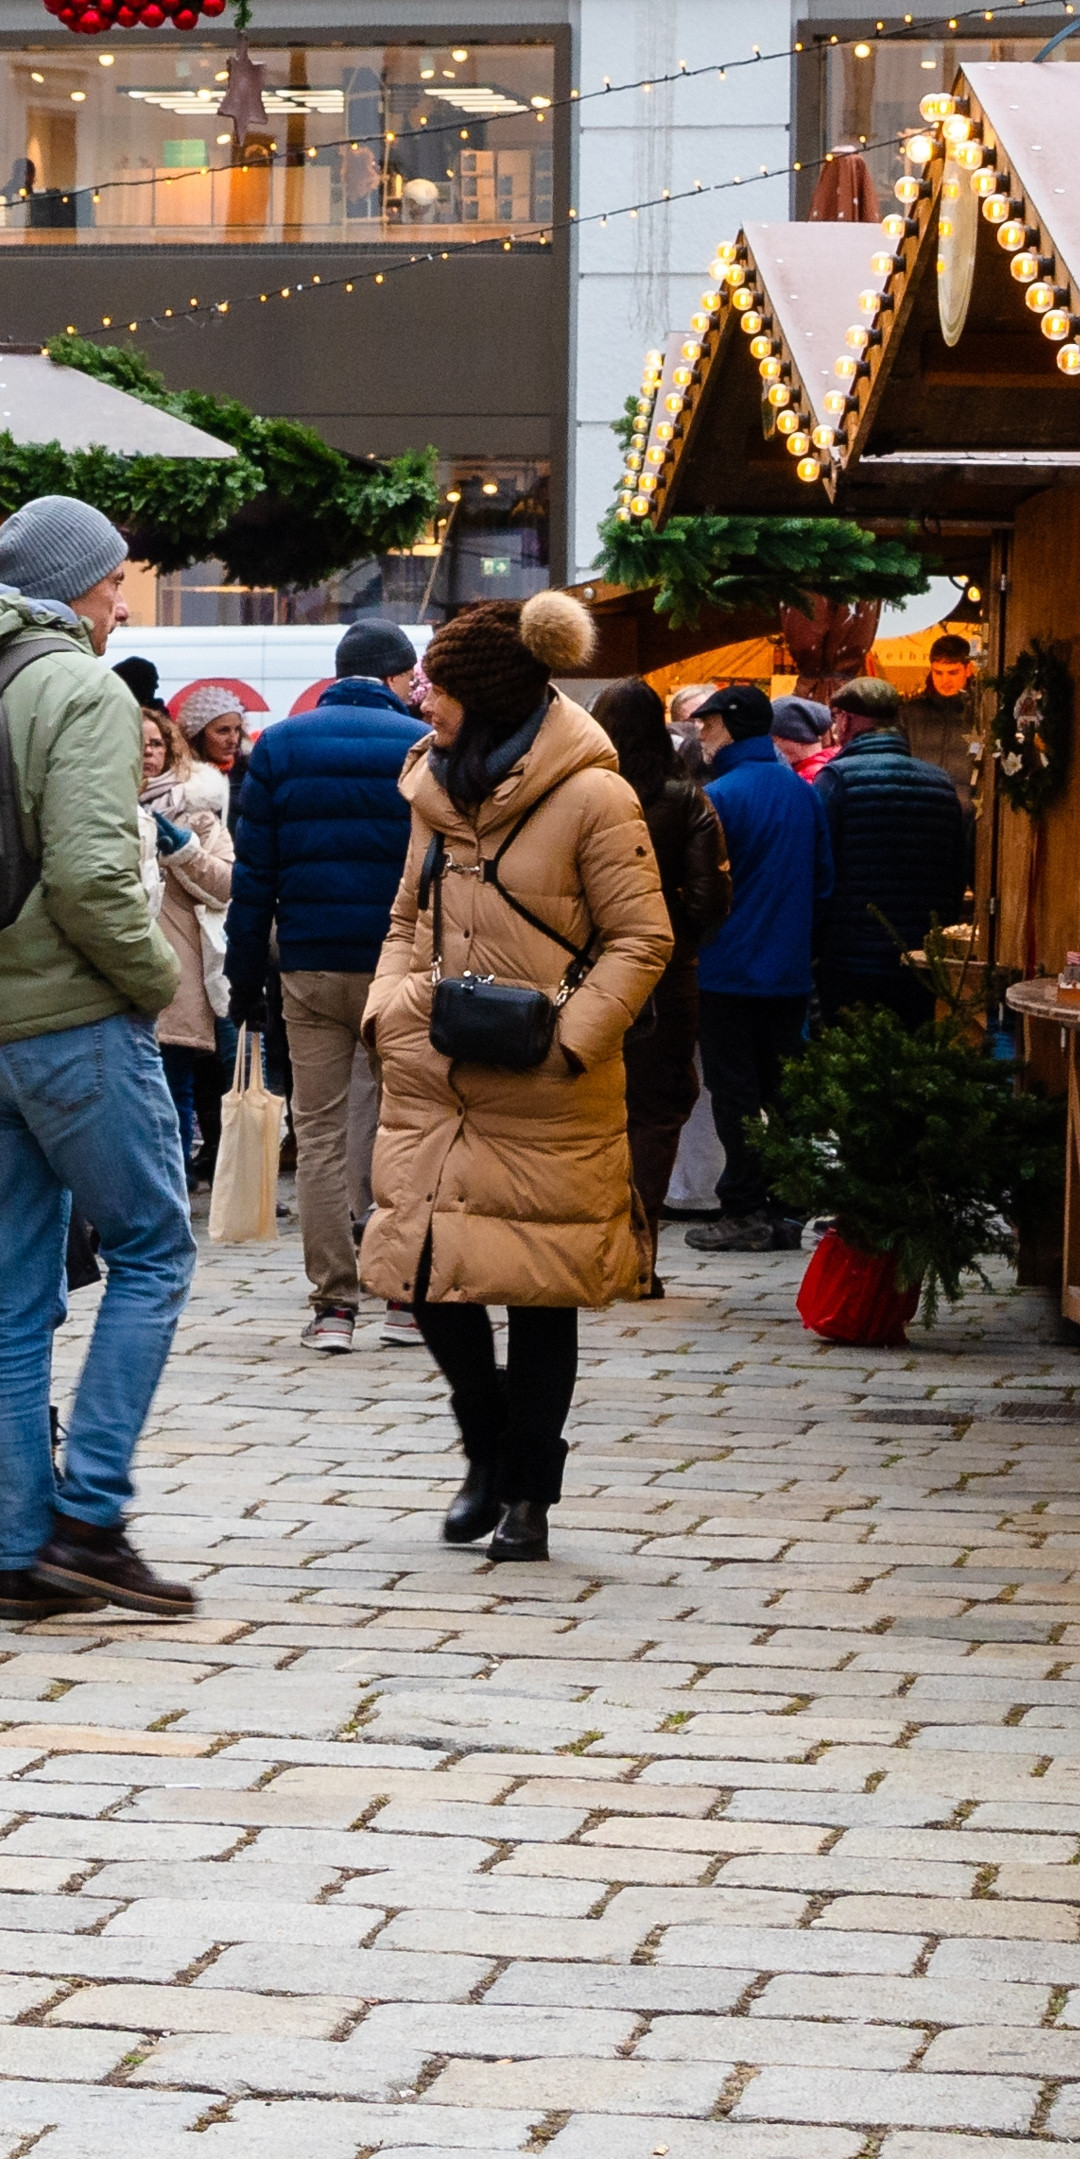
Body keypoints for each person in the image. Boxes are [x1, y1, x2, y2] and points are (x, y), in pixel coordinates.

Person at [0, 492, 202, 1622]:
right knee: (154, 1251)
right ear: (76, 582)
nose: (123, 599)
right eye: (116, 578)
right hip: (72, 1023)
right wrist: (154, 980)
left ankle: (23, 1559)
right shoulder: (76, 685)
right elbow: (88, 875)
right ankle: (90, 1513)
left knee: (13, 1291)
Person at [362, 597, 673, 1574]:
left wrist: (572, 1041)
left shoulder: (594, 796)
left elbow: (642, 937)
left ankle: (527, 1492)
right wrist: (388, 1006)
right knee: (424, 1270)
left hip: (544, 1074)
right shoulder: (430, 786)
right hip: (439, 1068)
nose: (422, 694)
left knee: (541, 1293)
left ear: (487, 694)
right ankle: (484, 1442)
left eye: (439, 684)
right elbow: (406, 916)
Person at [224, 618, 431, 1344]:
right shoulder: (421, 746)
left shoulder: (280, 744)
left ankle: (334, 1305)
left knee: (317, 1134)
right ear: (398, 676)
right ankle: (405, 1298)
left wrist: (243, 978)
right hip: (402, 968)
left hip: (309, 964)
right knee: (407, 1130)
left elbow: (254, 878)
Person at [678, 685, 829, 1248]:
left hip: (727, 967)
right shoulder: (801, 791)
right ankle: (789, 1207)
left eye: (707, 725)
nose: (701, 735)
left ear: (730, 726)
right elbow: (824, 881)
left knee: (734, 1089)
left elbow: (701, 889)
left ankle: (743, 1209)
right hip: (788, 969)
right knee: (783, 1089)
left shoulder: (719, 796)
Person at [588, 674, 732, 1247]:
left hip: (585, 969)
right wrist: (677, 938)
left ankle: (590, 1237)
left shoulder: (582, 790)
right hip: (665, 973)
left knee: (589, 1104)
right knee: (658, 1107)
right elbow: (710, 897)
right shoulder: (686, 796)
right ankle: (639, 1246)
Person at [814, 684, 979, 1011]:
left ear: (845, 720)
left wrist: (818, 943)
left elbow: (818, 871)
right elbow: (955, 872)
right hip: (919, 958)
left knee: (849, 1052)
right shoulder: (941, 784)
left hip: (850, 958)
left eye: (836, 718)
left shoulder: (835, 780)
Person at [140, 699, 244, 1189]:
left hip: (175, 971)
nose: (148, 754)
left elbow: (229, 884)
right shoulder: (95, 808)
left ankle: (170, 1198)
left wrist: (183, 851)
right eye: (138, 745)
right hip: (109, 972)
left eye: (157, 744)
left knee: (173, 1089)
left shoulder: (198, 814)